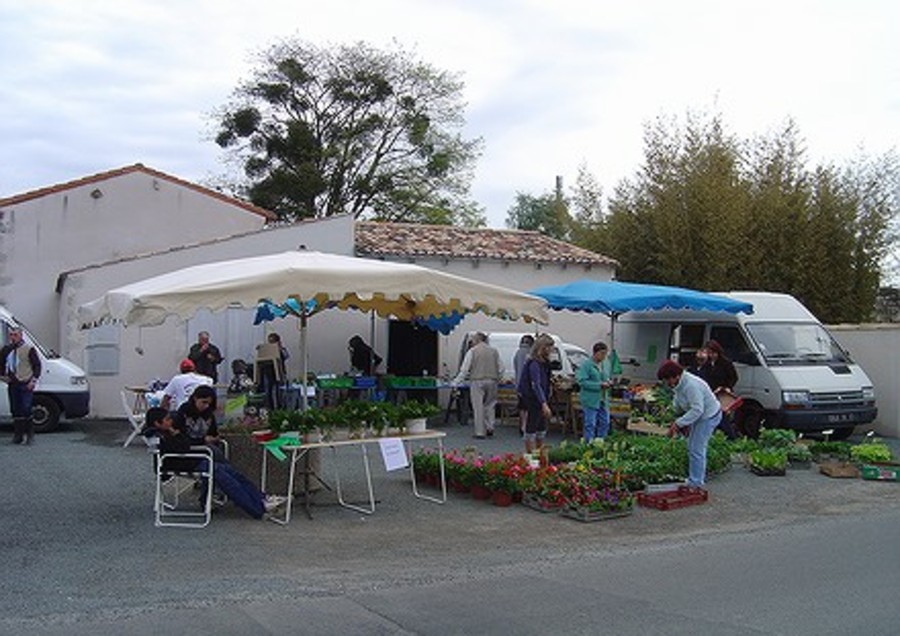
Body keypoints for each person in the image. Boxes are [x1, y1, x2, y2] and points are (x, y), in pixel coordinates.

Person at [142, 407, 286, 519]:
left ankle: (262, 499)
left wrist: (180, 436)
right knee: (227, 479)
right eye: (167, 420)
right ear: (157, 423)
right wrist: (178, 434)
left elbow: (183, 444)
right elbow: (182, 447)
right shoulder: (159, 435)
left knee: (232, 473)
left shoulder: (163, 432)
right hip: (183, 463)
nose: (171, 421)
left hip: (190, 461)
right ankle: (257, 509)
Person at [657, 359, 722, 489]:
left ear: (676, 376)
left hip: (708, 416)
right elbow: (679, 399)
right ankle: (694, 479)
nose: (667, 383)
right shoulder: (679, 384)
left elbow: (698, 409)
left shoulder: (691, 385)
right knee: (692, 445)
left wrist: (678, 423)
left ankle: (697, 483)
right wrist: (671, 411)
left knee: (696, 448)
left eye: (668, 379)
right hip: (700, 415)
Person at [453, 332, 503, 439]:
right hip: (492, 380)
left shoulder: (472, 351)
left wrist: (456, 382)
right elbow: (501, 368)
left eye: (473, 340)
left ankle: (480, 432)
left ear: (477, 340)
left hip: (477, 380)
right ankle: (490, 427)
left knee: (478, 407)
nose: (472, 342)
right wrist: (498, 378)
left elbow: (465, 369)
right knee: (490, 405)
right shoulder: (494, 351)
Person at [1, 327, 42, 445]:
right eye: (11, 335)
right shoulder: (6, 350)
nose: (13, 337)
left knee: (26, 408)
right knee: (15, 409)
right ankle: (18, 435)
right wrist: (3, 376)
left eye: (15, 335)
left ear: (20, 336)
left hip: (25, 382)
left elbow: (37, 366)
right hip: (13, 383)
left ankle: (30, 435)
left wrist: (33, 380)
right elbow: (1, 364)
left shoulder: (28, 349)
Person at [517, 334, 554, 454]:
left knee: (541, 427)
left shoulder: (544, 363)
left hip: (541, 397)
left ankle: (539, 454)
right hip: (533, 398)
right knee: (532, 426)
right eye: (550, 347)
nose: (551, 350)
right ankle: (530, 455)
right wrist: (544, 403)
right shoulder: (534, 363)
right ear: (543, 348)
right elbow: (535, 384)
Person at [576, 341, 613, 442]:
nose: (604, 356)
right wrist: (599, 385)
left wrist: (608, 382)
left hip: (603, 399)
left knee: (605, 422)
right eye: (602, 354)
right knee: (590, 423)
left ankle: (600, 442)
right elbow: (582, 381)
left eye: (605, 354)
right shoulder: (586, 365)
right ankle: (589, 443)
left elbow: (607, 376)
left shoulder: (605, 364)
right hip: (590, 399)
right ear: (595, 353)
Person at [257, 333, 290, 409]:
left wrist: (279, 348)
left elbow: (286, 356)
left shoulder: (281, 349)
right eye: (269, 341)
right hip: (268, 374)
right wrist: (261, 349)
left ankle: (279, 408)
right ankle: (270, 408)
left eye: (272, 341)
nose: (270, 343)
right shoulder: (267, 350)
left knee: (278, 393)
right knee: (268, 392)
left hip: (279, 373)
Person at [513, 334, 535, 436]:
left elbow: (516, 368)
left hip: (518, 384)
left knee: (522, 407)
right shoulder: (531, 354)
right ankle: (526, 426)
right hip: (528, 385)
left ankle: (522, 425)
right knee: (528, 407)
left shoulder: (517, 353)